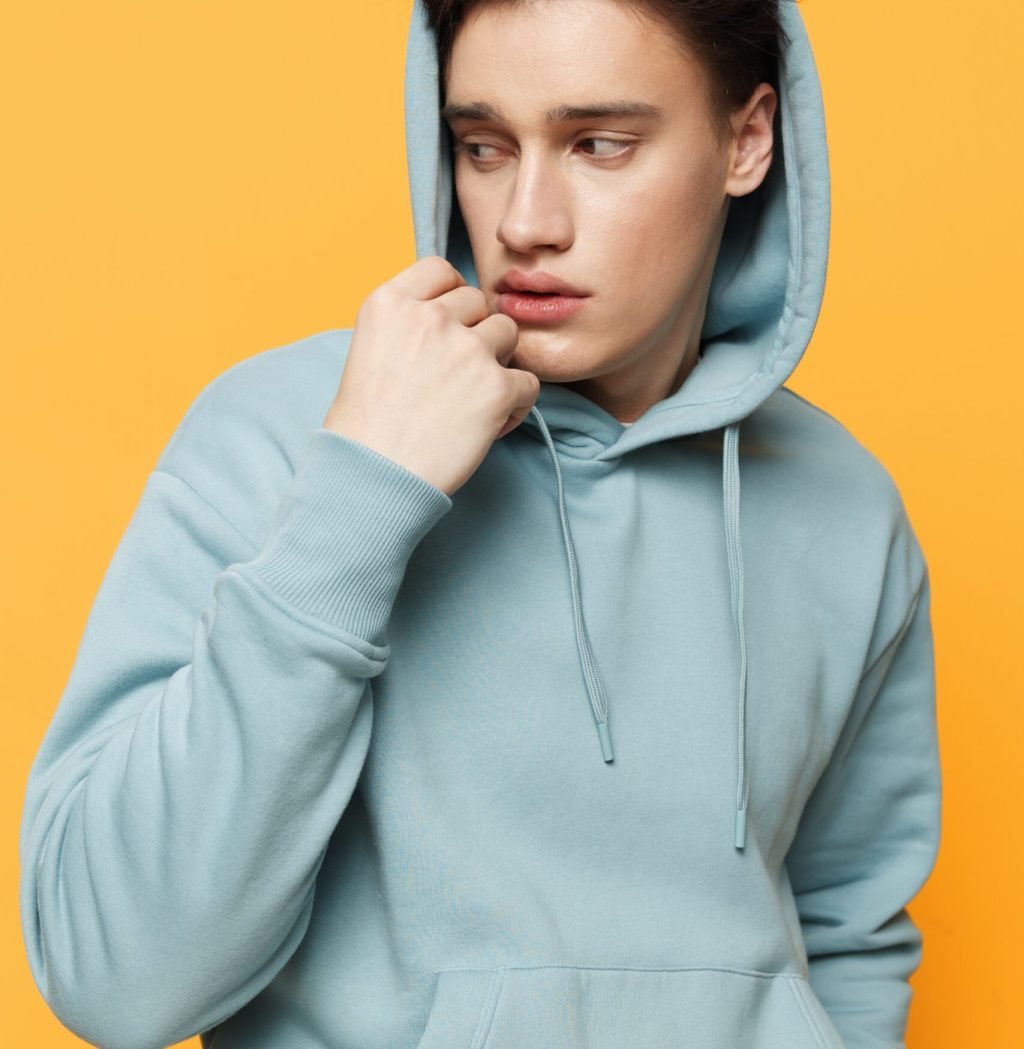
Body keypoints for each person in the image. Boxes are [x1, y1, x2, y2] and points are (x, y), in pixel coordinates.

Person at [19, 0, 942, 1047]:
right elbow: (115, 978)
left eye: (599, 144)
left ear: (746, 138)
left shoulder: (842, 503)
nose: (523, 220)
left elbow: (850, 934)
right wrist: (362, 496)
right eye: (483, 147)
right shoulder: (290, 435)